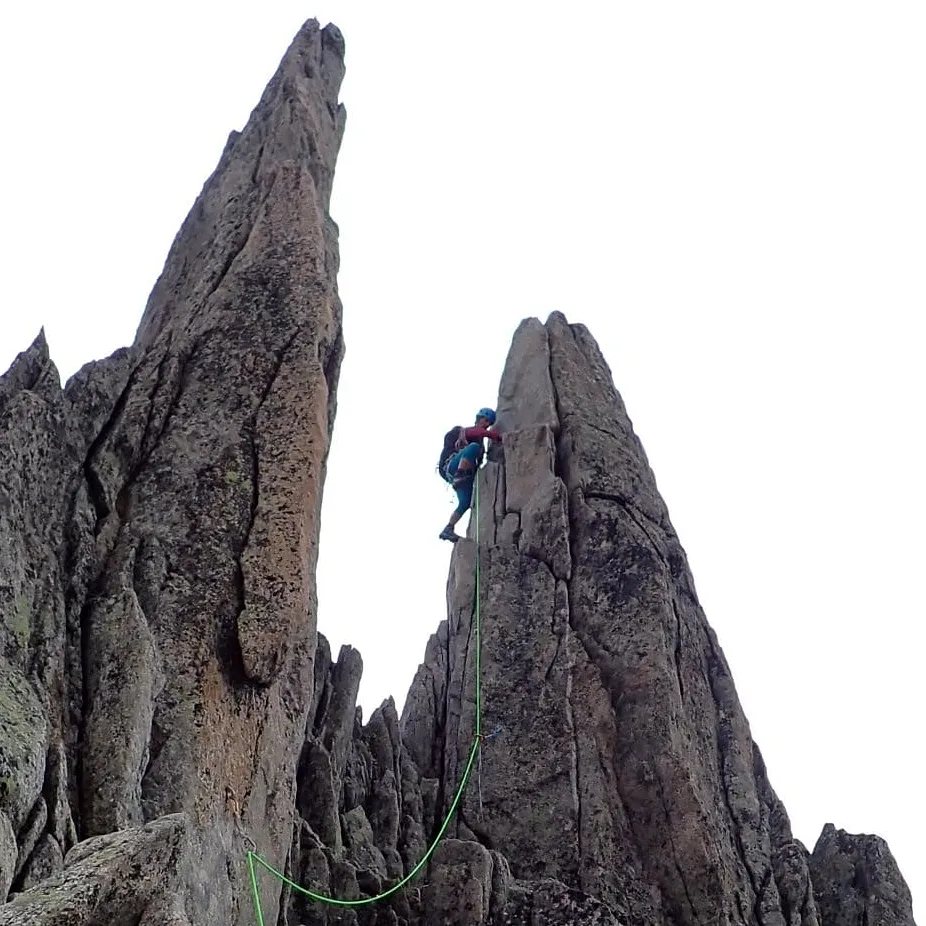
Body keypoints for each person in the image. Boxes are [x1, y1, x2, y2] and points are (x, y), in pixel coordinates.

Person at [437, 408, 501, 542]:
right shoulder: (461, 431)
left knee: (465, 502)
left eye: (489, 422)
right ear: (480, 418)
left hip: (463, 477)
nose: (487, 424)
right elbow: (475, 432)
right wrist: (496, 436)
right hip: (453, 468)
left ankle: (448, 528)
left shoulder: (480, 443)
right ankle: (460, 474)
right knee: (473, 448)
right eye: (486, 420)